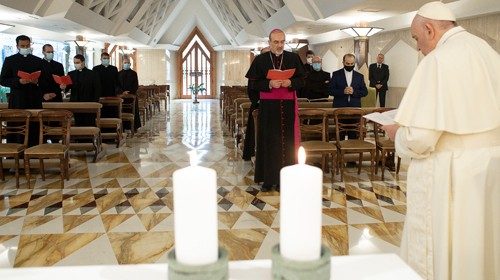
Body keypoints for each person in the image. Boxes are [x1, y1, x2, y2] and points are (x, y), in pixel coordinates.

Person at [382, 2, 500, 280]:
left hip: (452, 175)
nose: (418, 46)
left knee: (448, 250)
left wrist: (397, 133)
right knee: (483, 245)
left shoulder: (438, 60)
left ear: (429, 29)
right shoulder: (489, 52)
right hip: (491, 168)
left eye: (416, 38)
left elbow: (421, 139)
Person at [245, 29, 305, 192]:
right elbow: (252, 84)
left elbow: (302, 80)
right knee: (268, 142)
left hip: (287, 106)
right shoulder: (260, 60)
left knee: (287, 142)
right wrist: (269, 84)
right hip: (268, 107)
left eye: (282, 42)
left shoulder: (293, 58)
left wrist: (290, 82)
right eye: (276, 42)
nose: (279, 45)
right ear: (269, 42)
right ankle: (268, 179)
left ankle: (284, 179)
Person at [0, 35, 43, 146]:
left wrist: (37, 81)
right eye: (22, 46)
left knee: (34, 126)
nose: (25, 47)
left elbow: (44, 80)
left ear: (30, 45)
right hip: (17, 99)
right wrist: (18, 81)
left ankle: (34, 151)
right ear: (17, 46)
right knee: (16, 125)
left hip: (34, 99)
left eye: (27, 45)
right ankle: (14, 151)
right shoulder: (10, 60)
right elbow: (3, 80)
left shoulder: (38, 61)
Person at [330, 53, 368, 139]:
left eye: (352, 64)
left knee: (353, 133)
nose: (350, 65)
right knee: (340, 133)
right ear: (343, 62)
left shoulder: (359, 76)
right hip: (339, 108)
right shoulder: (336, 74)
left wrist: (354, 92)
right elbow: (330, 90)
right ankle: (340, 150)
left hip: (355, 108)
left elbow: (365, 92)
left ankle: (352, 149)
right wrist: (342, 91)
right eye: (347, 63)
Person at [242, 46, 269, 161]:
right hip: (258, 104)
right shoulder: (256, 68)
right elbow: (251, 88)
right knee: (255, 131)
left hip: (272, 105)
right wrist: (257, 100)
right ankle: (252, 152)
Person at [64, 54, 102, 126]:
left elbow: (98, 90)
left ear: (83, 62)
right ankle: (78, 137)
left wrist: (95, 104)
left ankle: (90, 137)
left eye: (77, 62)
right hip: (75, 104)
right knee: (78, 123)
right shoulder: (71, 74)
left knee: (90, 124)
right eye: (75, 62)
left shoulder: (93, 74)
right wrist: (63, 87)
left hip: (89, 104)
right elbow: (67, 88)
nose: (76, 64)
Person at [118, 56, 141, 131]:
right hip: (122, 97)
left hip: (132, 96)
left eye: (128, 63)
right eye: (125, 63)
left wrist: (129, 92)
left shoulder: (134, 73)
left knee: (133, 110)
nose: (126, 64)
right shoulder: (118, 74)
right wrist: (122, 92)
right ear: (122, 64)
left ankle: (134, 127)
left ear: (130, 64)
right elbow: (117, 85)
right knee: (122, 110)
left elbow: (136, 85)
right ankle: (123, 127)